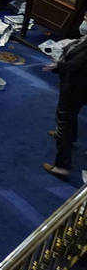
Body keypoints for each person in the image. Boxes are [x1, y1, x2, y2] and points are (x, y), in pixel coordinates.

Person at [43, 36, 87, 180]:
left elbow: (76, 65)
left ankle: (62, 167)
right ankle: (68, 137)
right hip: (76, 86)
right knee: (70, 114)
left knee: (65, 120)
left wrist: (57, 66)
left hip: (76, 88)